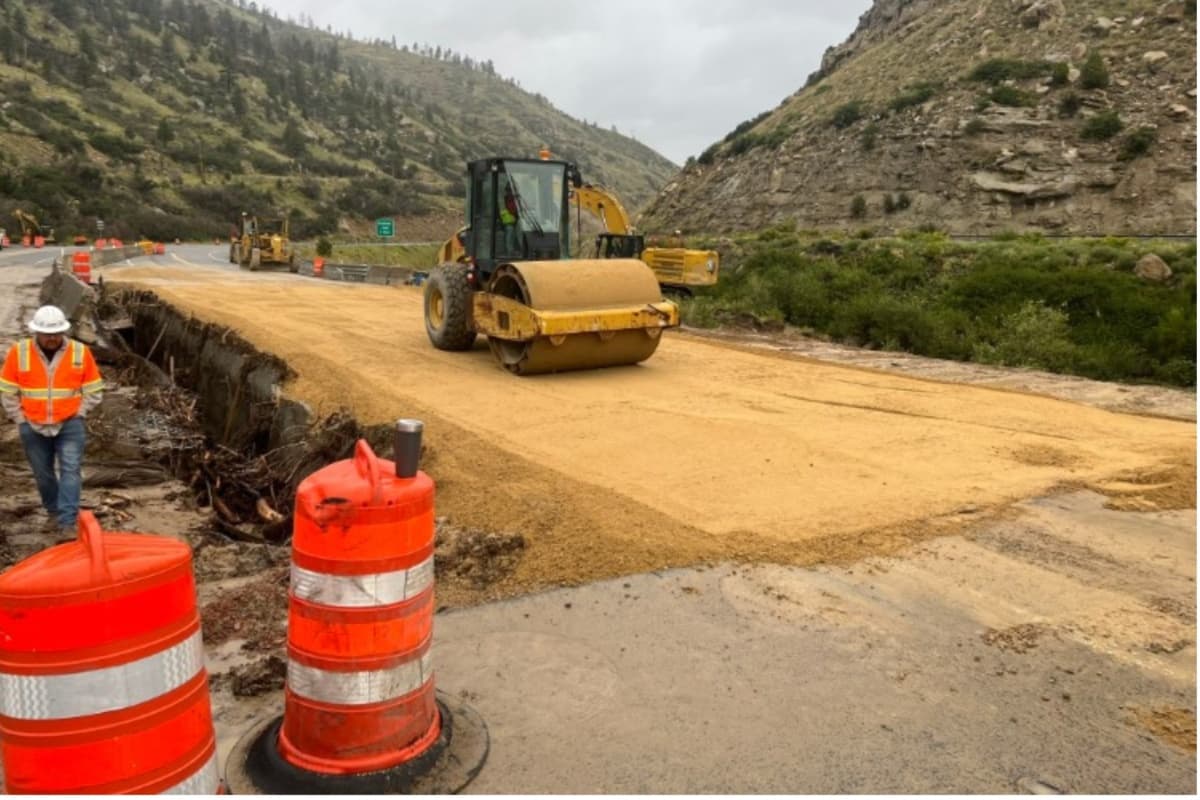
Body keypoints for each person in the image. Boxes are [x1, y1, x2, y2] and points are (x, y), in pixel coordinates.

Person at [0, 305, 104, 532]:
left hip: (70, 423)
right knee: (42, 473)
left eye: (56, 333)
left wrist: (81, 411)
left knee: (70, 469)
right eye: (47, 334)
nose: (52, 338)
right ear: (36, 332)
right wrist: (19, 418)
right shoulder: (19, 352)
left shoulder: (79, 352)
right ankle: (53, 511)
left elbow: (94, 389)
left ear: (64, 331)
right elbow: (7, 389)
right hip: (32, 424)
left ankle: (67, 521)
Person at [500, 186, 520, 255]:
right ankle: (510, 251)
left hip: (517, 220)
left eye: (513, 190)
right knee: (510, 230)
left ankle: (521, 249)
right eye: (509, 190)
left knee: (521, 230)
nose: (511, 192)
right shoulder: (504, 199)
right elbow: (503, 212)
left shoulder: (518, 198)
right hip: (507, 222)